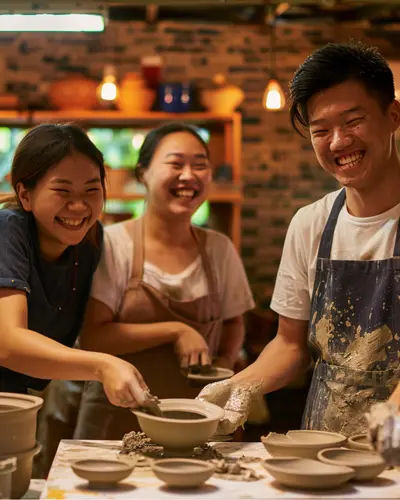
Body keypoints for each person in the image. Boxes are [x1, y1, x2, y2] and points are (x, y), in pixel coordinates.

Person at [198, 41, 400, 437]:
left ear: (393, 115)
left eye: (353, 121)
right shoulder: (311, 224)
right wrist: (238, 388)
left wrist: (390, 420)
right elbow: (290, 345)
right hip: (323, 443)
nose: (339, 142)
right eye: (321, 130)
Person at [70, 122, 255, 439]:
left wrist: (221, 375)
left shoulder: (219, 249)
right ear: (142, 173)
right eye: (175, 163)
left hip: (196, 420)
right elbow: (94, 338)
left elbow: (234, 324)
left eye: (200, 165)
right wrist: (176, 331)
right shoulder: (113, 243)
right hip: (115, 422)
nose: (189, 175)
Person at [0, 123, 147, 408]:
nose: (79, 207)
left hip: (18, 396)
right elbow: (7, 342)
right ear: (25, 195)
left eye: (92, 190)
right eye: (63, 192)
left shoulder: (91, 241)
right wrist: (102, 367)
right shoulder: (8, 230)